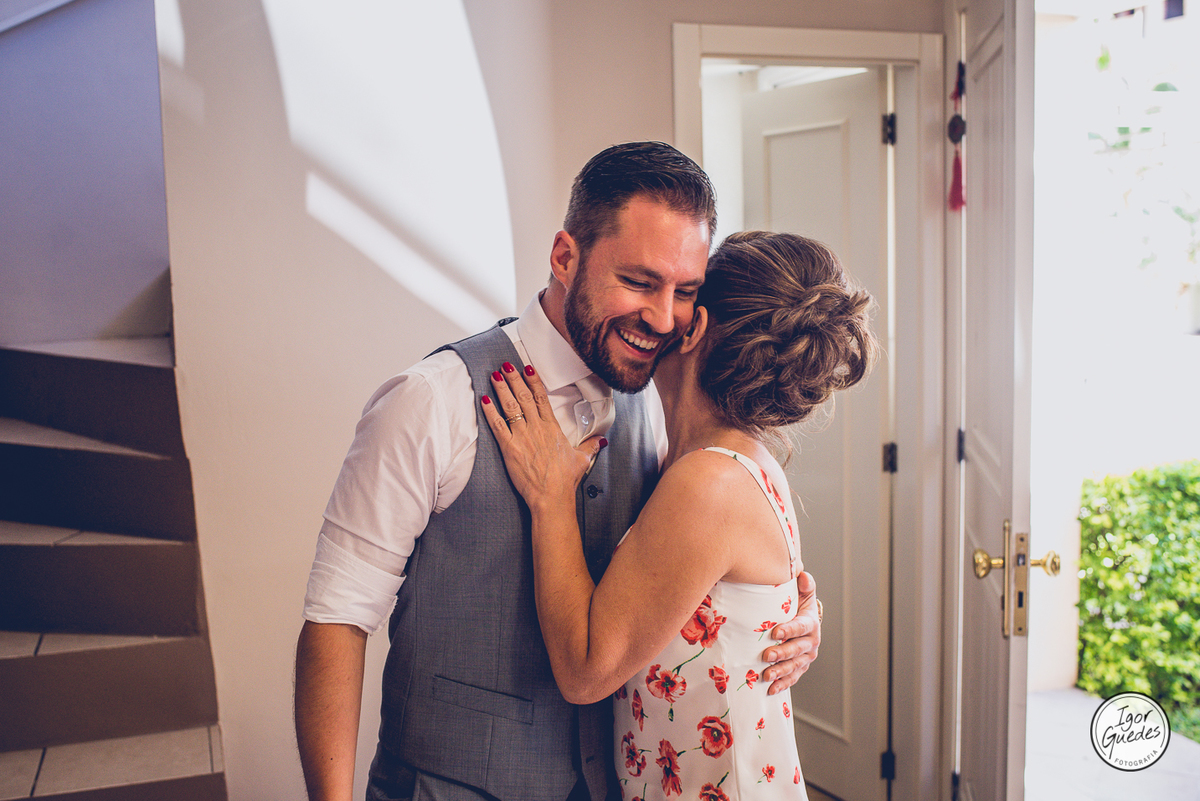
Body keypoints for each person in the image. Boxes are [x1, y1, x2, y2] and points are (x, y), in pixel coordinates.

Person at [294, 143, 823, 801]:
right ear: (565, 257)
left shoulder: (666, 401)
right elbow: (337, 619)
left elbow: (701, 565)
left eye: (684, 292)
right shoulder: (431, 400)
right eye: (639, 281)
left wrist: (786, 613)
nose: (663, 317)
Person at [481, 231, 876, 800]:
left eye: (684, 293)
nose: (661, 312)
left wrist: (551, 498)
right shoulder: (713, 458)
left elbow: (585, 672)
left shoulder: (709, 482)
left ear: (695, 327)